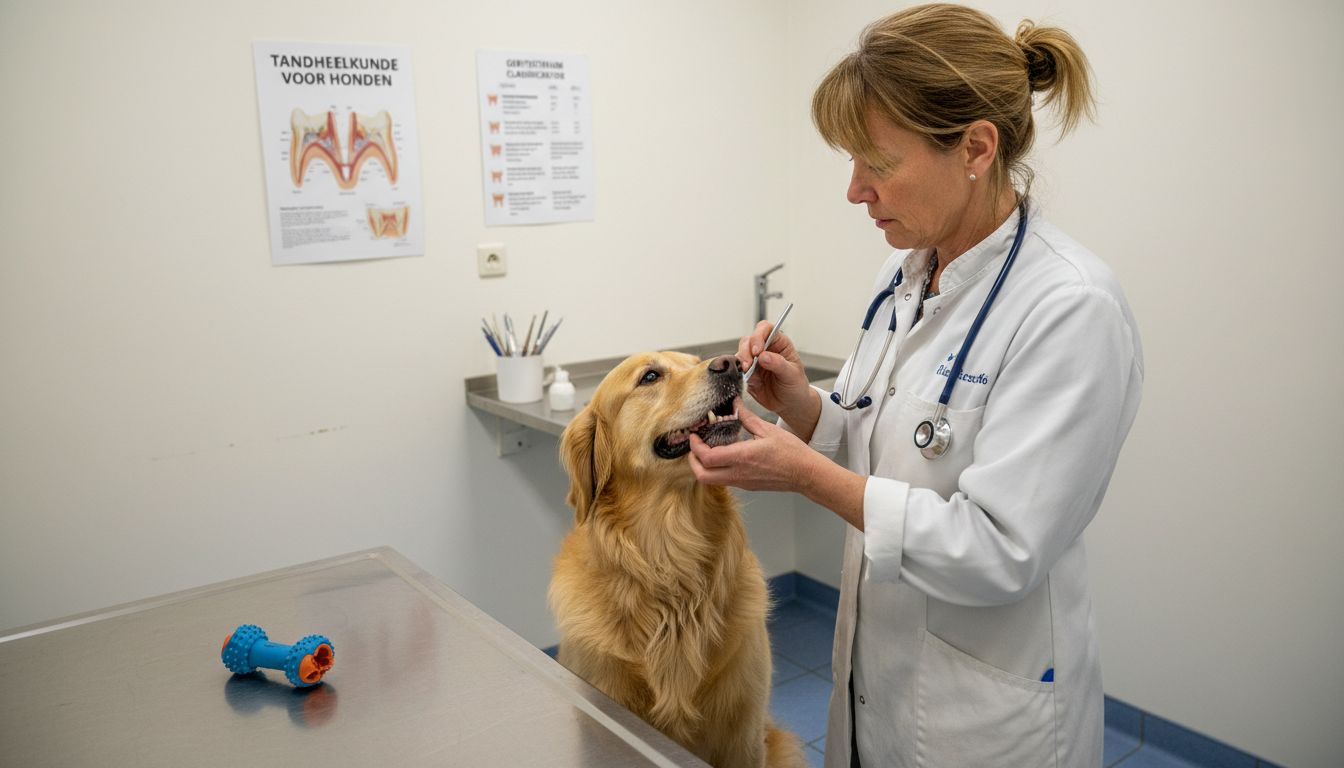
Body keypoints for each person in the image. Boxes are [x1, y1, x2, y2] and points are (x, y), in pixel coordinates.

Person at [687, 4, 1144, 766]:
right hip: (879, 679)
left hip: (985, 716)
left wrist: (805, 477)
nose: (854, 191)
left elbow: (999, 550)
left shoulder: (1069, 308)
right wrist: (804, 409)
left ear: (975, 147)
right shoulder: (904, 277)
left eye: (877, 162)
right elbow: (884, 440)